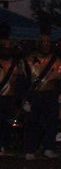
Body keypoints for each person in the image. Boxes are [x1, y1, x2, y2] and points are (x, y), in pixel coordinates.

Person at [23, 33, 61, 160]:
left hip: (51, 95)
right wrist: (25, 100)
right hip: (35, 95)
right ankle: (30, 149)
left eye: (48, 44)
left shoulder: (57, 61)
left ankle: (49, 148)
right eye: (43, 43)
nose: (45, 46)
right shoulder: (28, 60)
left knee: (51, 122)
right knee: (32, 123)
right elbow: (23, 81)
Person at [0, 26, 27, 155]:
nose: (6, 50)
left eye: (8, 48)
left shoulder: (17, 65)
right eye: (4, 48)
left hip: (9, 98)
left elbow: (20, 83)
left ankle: (4, 144)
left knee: (7, 122)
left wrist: (20, 100)